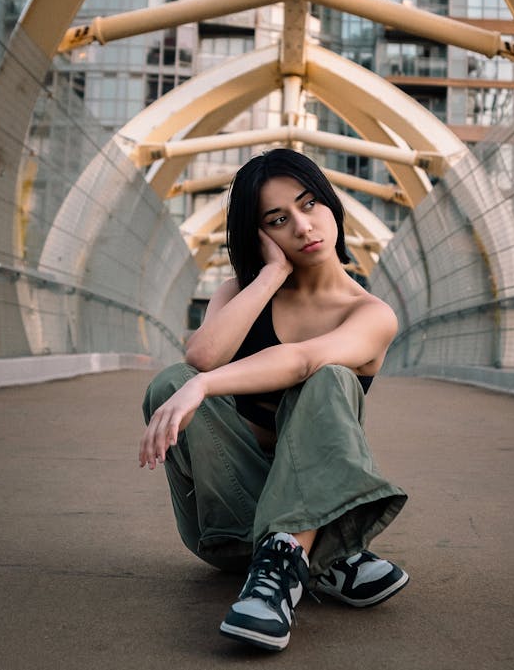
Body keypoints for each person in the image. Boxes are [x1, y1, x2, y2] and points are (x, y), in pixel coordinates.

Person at [139, 148, 408, 652]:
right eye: (279, 219)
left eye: (310, 205)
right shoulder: (243, 291)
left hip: (300, 518)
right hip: (230, 526)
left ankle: (286, 566)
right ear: (260, 234)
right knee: (170, 381)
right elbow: (201, 356)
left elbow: (304, 360)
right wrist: (268, 278)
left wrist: (204, 386)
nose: (304, 227)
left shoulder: (371, 314)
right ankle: (329, 556)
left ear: (332, 205)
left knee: (330, 377)